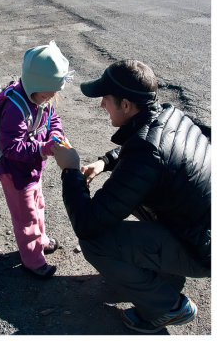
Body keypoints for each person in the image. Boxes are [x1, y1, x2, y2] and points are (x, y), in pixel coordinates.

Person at [52, 59, 211, 333]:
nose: (102, 104)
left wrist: (70, 171)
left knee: (95, 242)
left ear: (125, 105)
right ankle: (163, 272)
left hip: (202, 249)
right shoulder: (169, 115)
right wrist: (104, 162)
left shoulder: (146, 152)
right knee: (128, 195)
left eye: (106, 99)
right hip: (200, 224)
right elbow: (147, 151)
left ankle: (167, 307)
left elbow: (88, 223)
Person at [0, 41, 73, 279]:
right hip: (15, 173)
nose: (53, 95)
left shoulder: (40, 98)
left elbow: (53, 119)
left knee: (38, 206)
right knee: (26, 217)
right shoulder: (16, 108)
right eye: (49, 90)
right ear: (35, 84)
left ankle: (41, 240)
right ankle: (32, 259)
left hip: (31, 170)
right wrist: (43, 148)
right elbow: (10, 146)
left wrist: (56, 135)